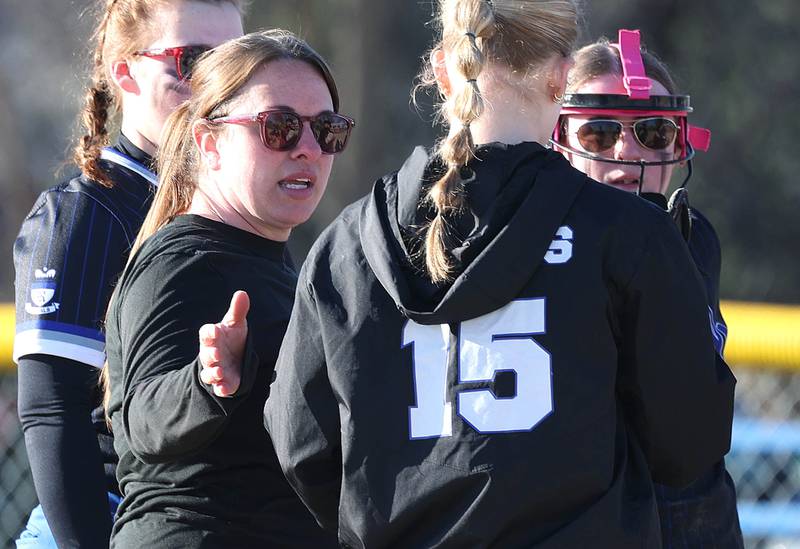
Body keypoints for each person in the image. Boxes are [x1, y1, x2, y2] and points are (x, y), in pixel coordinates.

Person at [267, 0, 734, 546]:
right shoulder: (624, 233)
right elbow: (688, 446)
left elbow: (302, 450)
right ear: (563, 78)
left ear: (443, 69)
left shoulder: (345, 243)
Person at [103, 29, 354, 548]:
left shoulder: (268, 260)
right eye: (279, 127)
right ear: (209, 142)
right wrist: (206, 380)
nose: (308, 149)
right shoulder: (183, 261)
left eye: (327, 130)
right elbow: (144, 418)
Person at [12, 1, 244, 547]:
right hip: (106, 525)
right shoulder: (87, 212)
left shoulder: (234, 205)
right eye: (191, 61)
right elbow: (53, 412)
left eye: (234, 63)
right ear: (126, 70)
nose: (216, 84)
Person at [552, 29, 743, 547]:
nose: (626, 151)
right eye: (598, 133)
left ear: (680, 144)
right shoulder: (536, 250)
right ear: (560, 141)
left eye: (653, 133)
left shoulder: (695, 238)